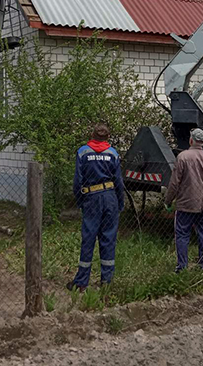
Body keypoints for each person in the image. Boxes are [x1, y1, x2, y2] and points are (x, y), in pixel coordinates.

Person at [69, 123, 125, 291]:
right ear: (108, 137)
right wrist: (120, 202)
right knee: (108, 239)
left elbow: (77, 181)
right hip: (110, 198)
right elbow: (119, 181)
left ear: (92, 135)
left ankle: (81, 282)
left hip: (91, 198)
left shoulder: (83, 152)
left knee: (88, 239)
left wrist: (80, 201)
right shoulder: (113, 153)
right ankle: (106, 282)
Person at [164, 128, 203, 272]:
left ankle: (182, 267)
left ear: (191, 140)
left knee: (182, 235)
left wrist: (168, 200)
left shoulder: (182, 157)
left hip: (186, 203)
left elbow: (174, 182)